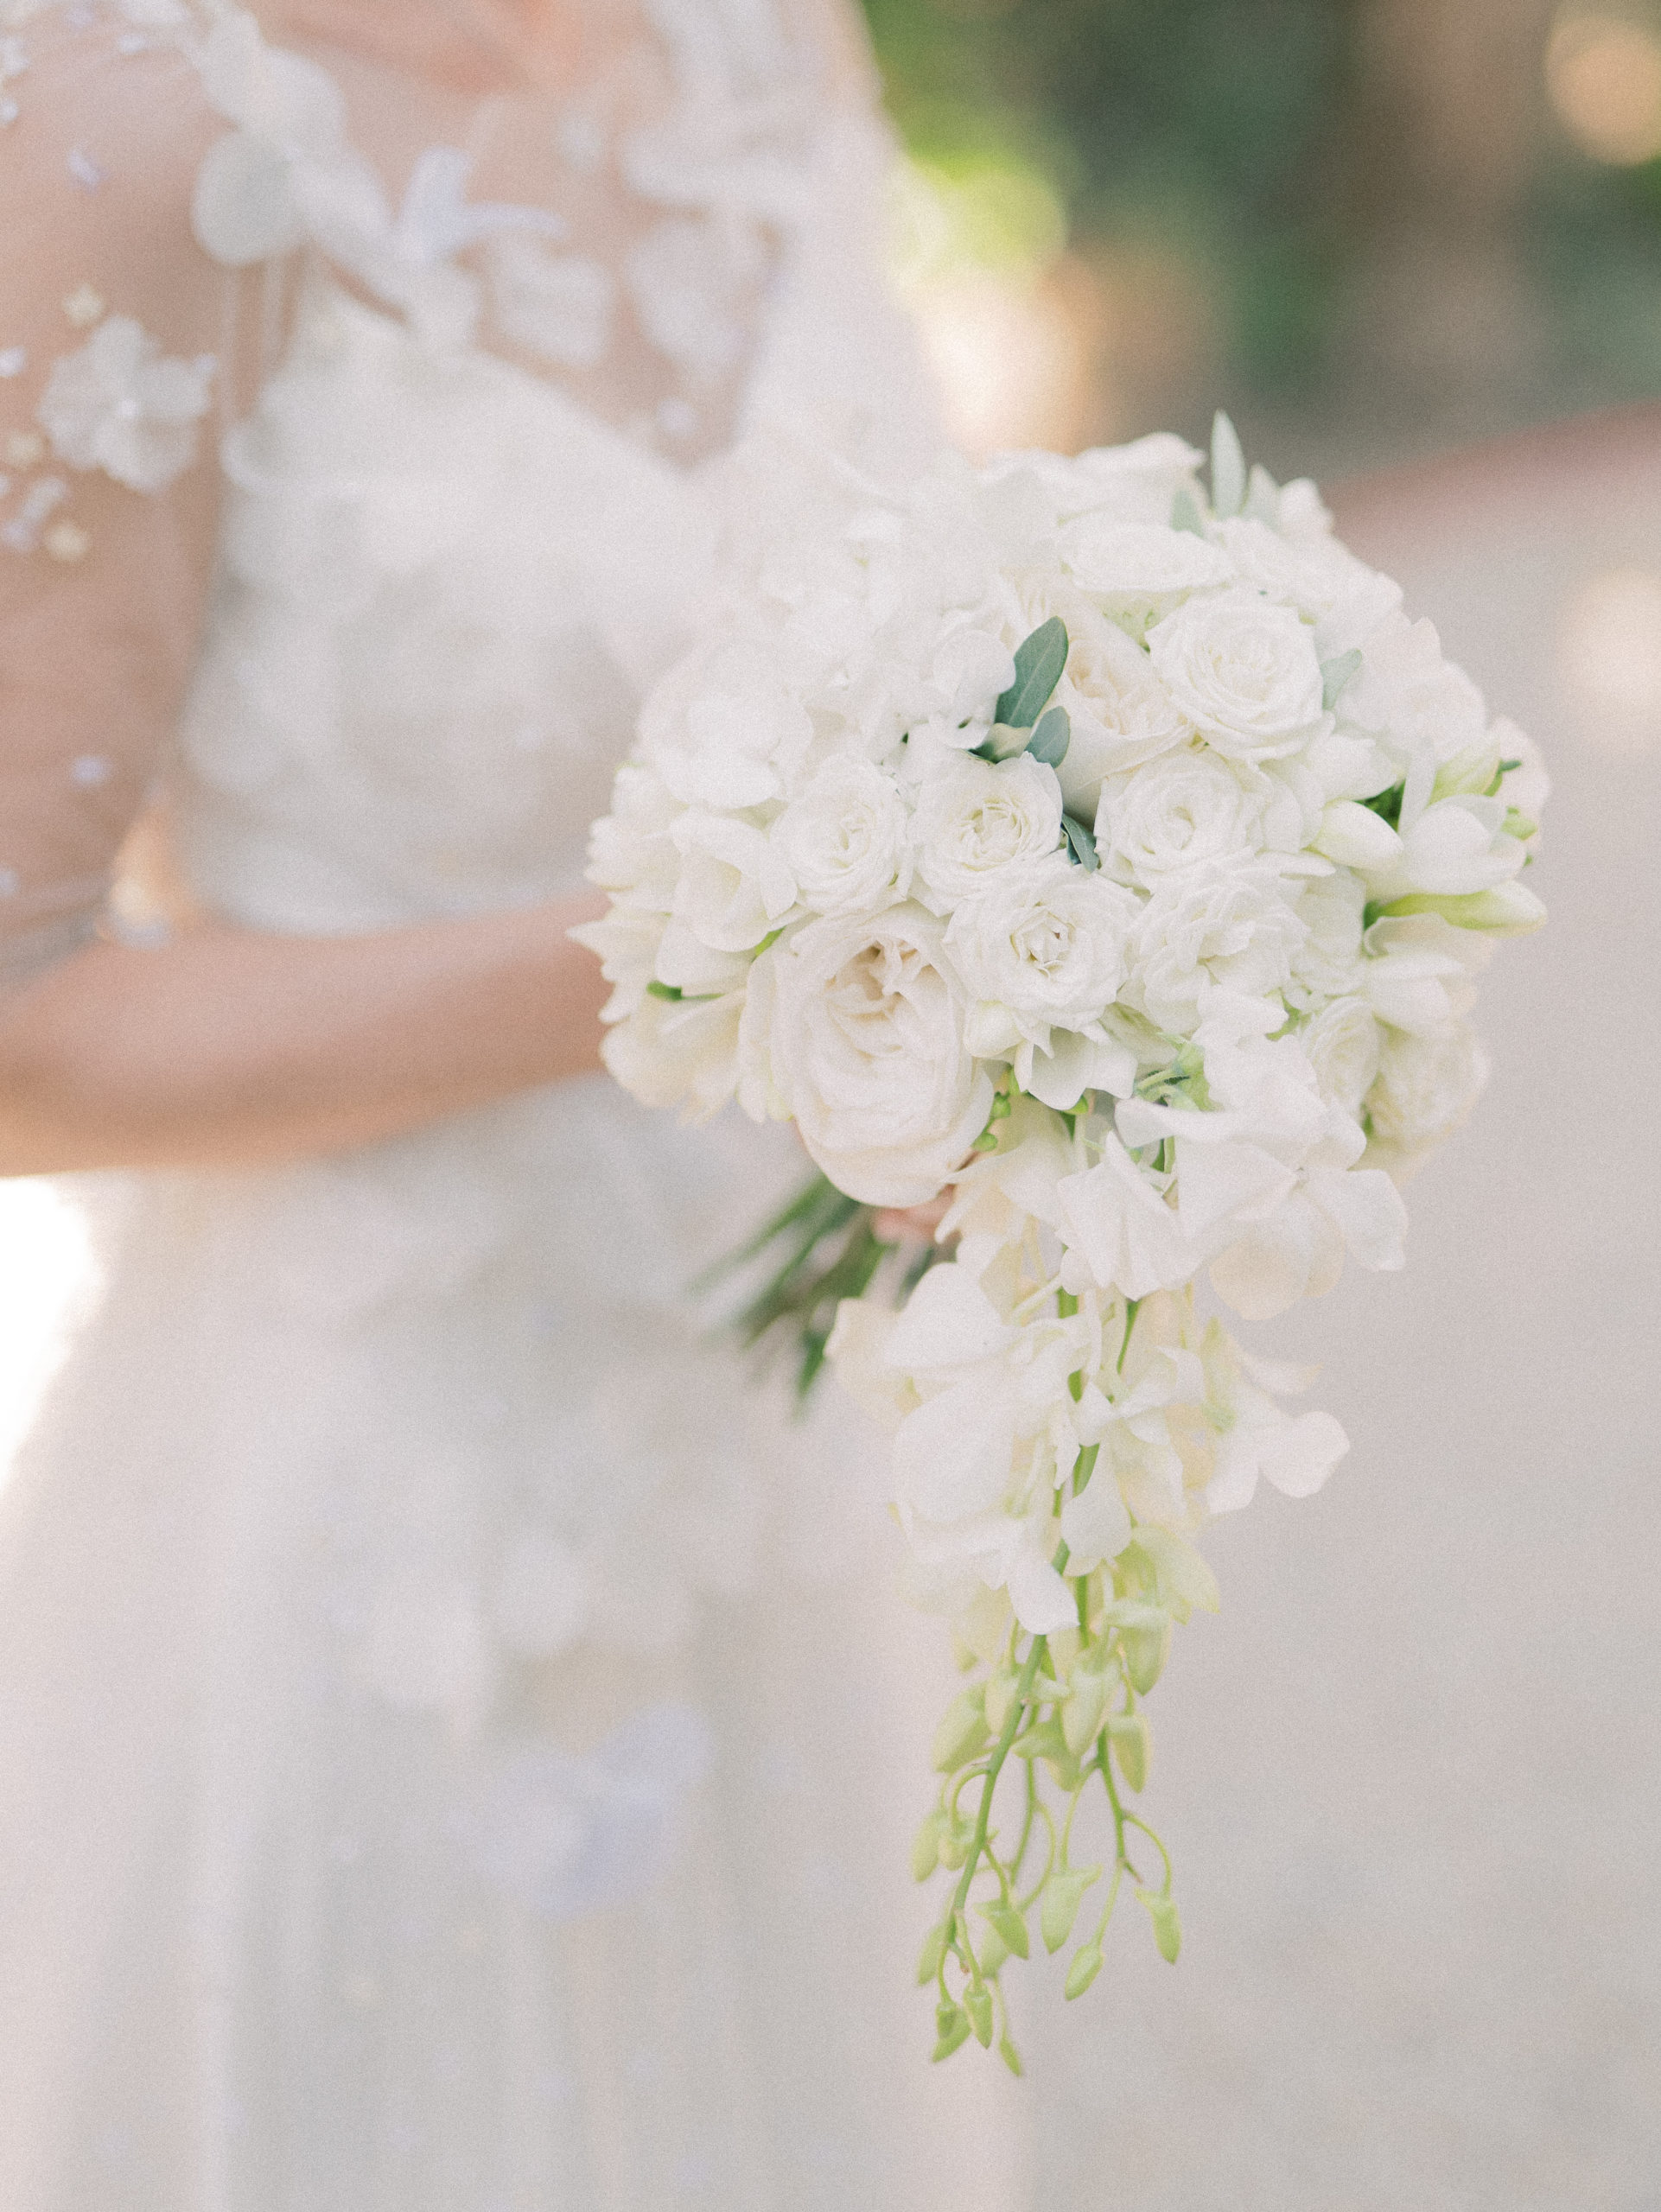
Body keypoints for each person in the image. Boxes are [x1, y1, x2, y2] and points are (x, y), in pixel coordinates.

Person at [0, 3, 1026, 2202]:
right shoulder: (137, 121)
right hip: (374, 1502)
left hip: (772, 1438)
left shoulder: (764, 49)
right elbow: (20, 1020)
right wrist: (714, 943)